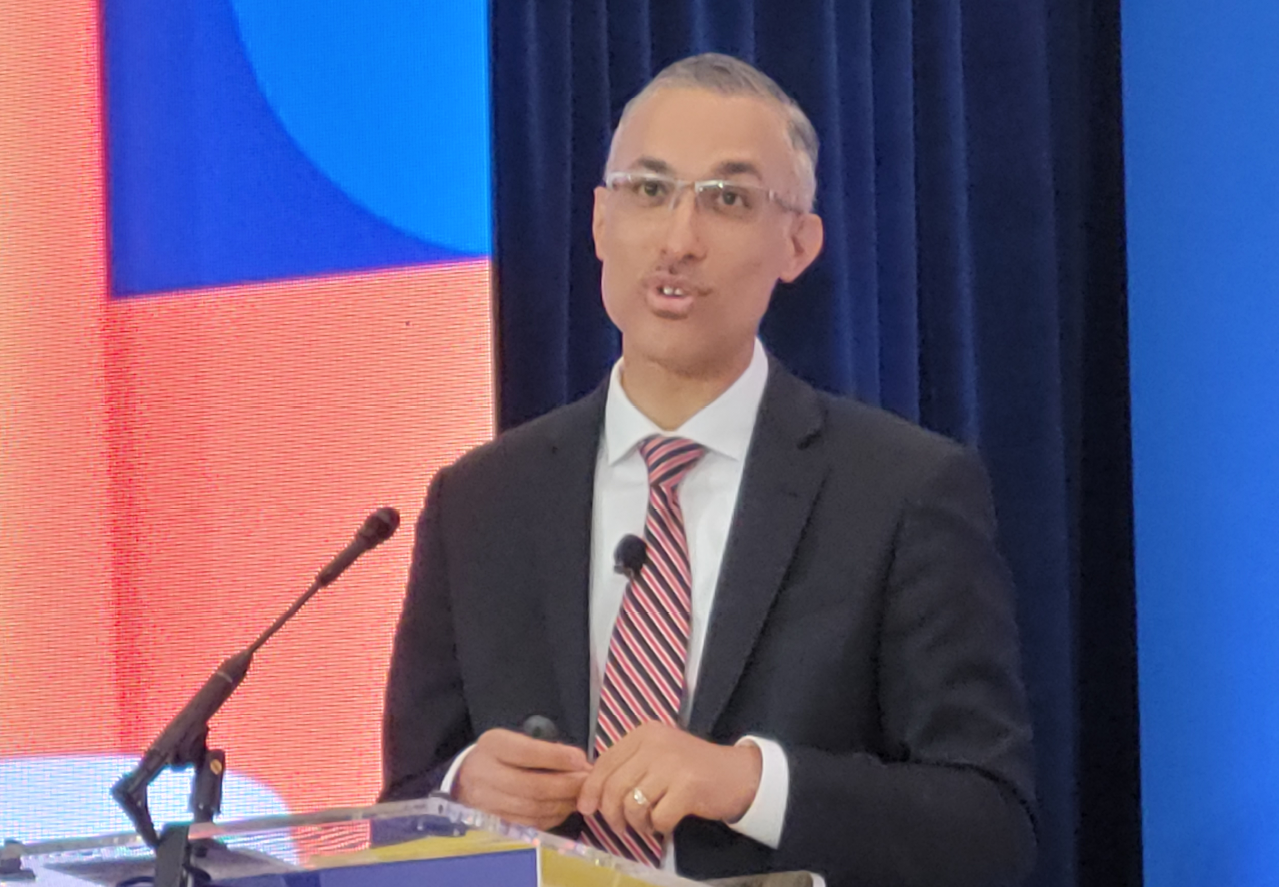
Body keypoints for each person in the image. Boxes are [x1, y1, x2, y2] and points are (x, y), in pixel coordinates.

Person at [382, 53, 1035, 887]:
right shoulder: (480, 501)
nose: (678, 240)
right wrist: (462, 790)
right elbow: (402, 806)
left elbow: (989, 826)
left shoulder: (902, 490)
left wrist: (750, 783)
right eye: (648, 191)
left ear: (798, 243)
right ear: (599, 222)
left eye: (727, 200)